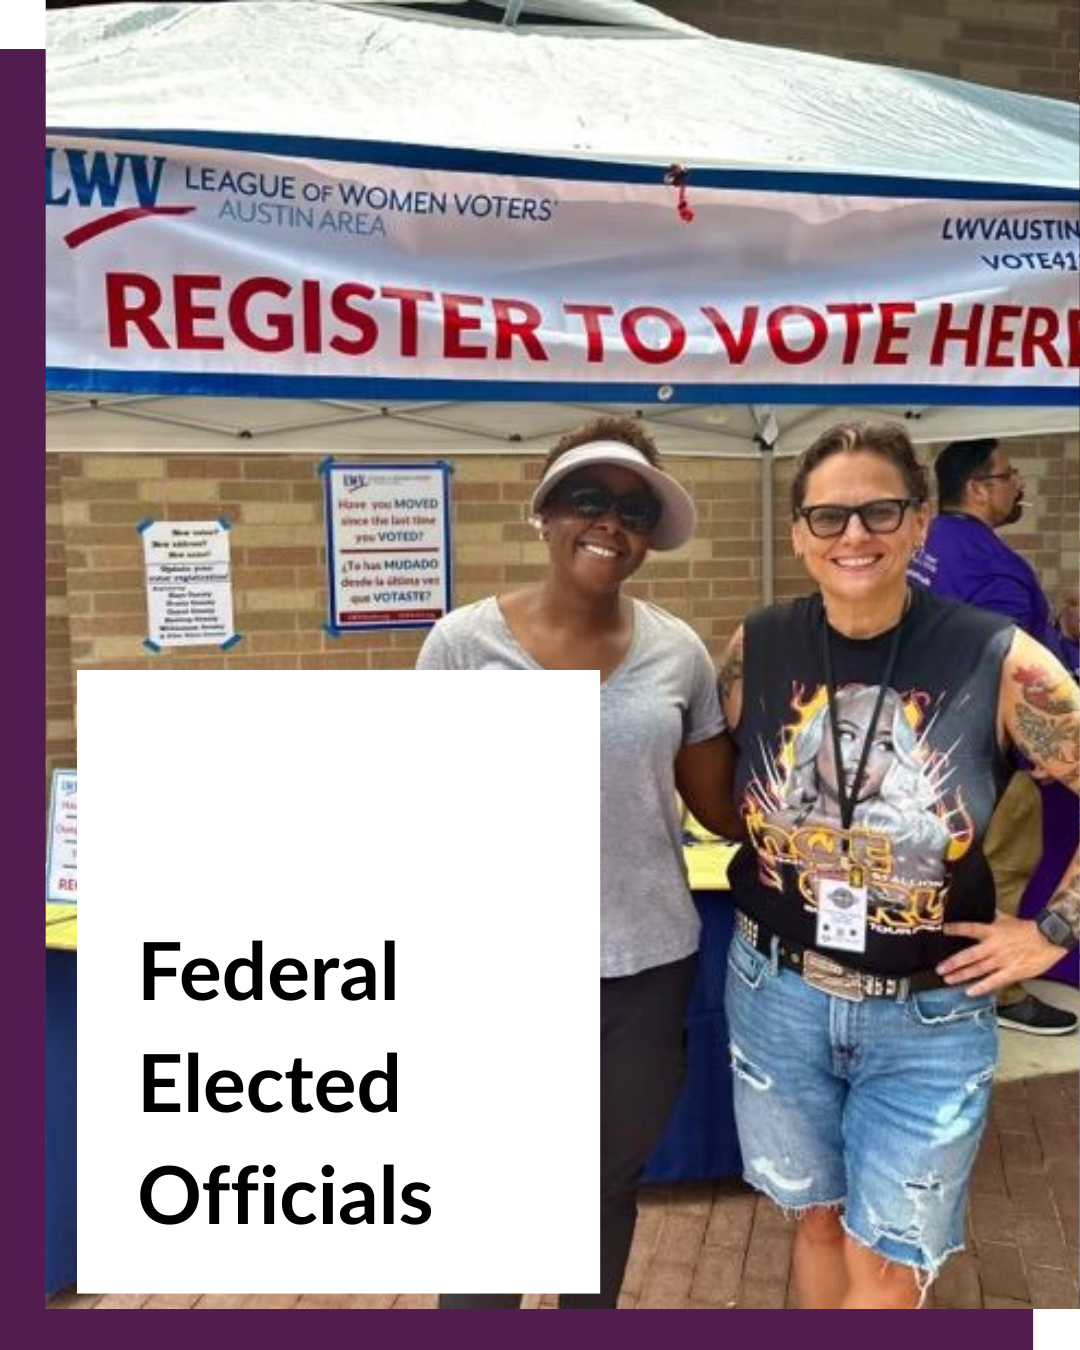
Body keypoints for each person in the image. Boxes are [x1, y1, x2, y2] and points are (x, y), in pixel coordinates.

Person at [717, 421, 1079, 1309]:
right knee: (814, 1220)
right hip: (778, 994)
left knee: (886, 1259)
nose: (854, 536)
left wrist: (1053, 933)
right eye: (829, 516)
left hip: (928, 1012)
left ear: (918, 524)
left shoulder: (997, 657)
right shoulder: (756, 647)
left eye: (879, 511)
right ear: (798, 533)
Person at [417, 416, 741, 1308]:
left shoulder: (677, 652)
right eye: (588, 499)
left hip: (642, 969)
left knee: (602, 1185)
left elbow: (722, 806)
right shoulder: (460, 645)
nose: (610, 523)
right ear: (547, 512)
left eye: (632, 510)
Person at [908, 438, 1077, 1035]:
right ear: (977, 487)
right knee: (1003, 867)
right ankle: (999, 991)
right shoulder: (997, 567)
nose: (1020, 486)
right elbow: (1004, 669)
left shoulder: (921, 543)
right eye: (1010, 476)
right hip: (988, 757)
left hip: (917, 746)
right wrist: (1032, 748)